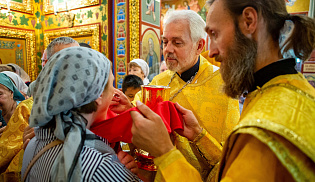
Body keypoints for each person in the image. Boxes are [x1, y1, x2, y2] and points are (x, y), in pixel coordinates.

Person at [131, 0, 315, 181]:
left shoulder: (268, 129)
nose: (211, 53)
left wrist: (165, 153)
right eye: (165, 42)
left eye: (215, 34)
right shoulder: (280, 92)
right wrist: (197, 134)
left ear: (249, 21)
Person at [133, 10, 240, 181]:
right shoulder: (160, 80)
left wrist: (198, 135)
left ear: (199, 46)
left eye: (177, 43)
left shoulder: (225, 86)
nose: (167, 49)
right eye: (165, 42)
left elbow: (231, 161)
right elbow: (137, 117)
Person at [21, 47, 141, 181]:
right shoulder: (99, 165)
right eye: (111, 84)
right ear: (99, 94)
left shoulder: (33, 142)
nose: (114, 91)